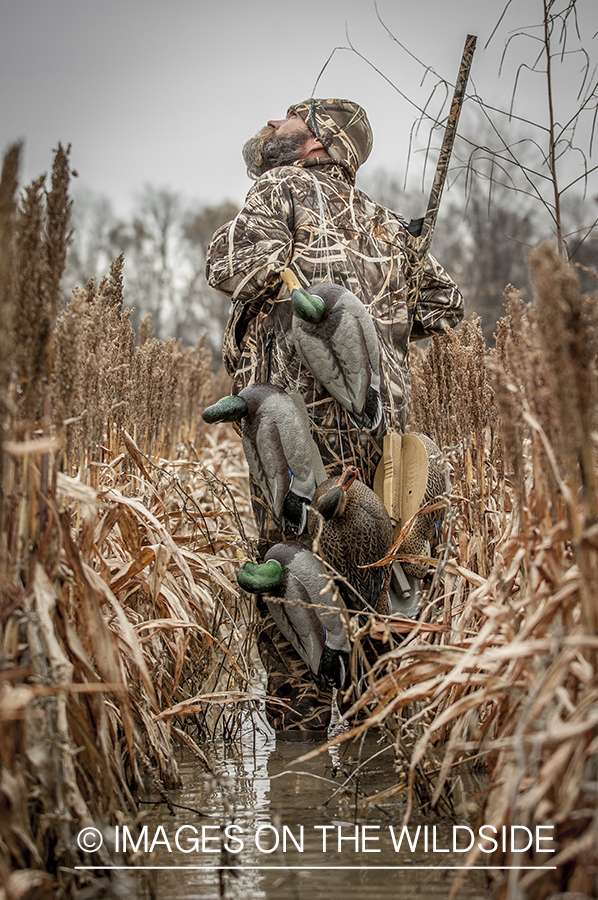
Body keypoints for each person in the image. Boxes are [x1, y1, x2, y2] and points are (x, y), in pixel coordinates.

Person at [205, 98, 463, 733]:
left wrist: (291, 283)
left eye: (289, 117)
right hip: (385, 457)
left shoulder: (281, 187)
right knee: (374, 592)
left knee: (296, 600)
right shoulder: (385, 226)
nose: (272, 124)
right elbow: (447, 306)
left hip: (297, 450)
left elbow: (229, 262)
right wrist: (395, 268)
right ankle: (376, 769)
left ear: (319, 142)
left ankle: (302, 781)